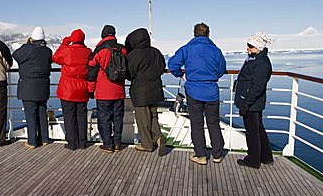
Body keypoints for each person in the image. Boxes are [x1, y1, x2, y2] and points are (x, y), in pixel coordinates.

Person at [168, 23, 226, 165]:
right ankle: (217, 154)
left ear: (194, 33)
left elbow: (172, 64)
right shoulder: (215, 50)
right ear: (208, 34)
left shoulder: (187, 49)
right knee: (213, 122)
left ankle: (201, 155)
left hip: (194, 91)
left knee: (197, 123)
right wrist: (213, 77)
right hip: (211, 91)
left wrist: (181, 75)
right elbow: (222, 69)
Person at [235, 32, 275, 169]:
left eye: (251, 46)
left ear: (259, 47)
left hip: (251, 104)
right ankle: (266, 157)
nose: (248, 49)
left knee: (252, 132)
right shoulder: (257, 59)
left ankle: (253, 160)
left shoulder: (261, 63)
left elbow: (257, 86)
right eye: (248, 46)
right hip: (253, 102)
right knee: (259, 129)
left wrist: (245, 105)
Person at [125, 28, 167, 156]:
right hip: (155, 90)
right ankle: (158, 137)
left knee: (142, 119)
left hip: (141, 92)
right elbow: (162, 67)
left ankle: (147, 144)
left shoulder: (134, 55)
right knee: (153, 116)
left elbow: (129, 73)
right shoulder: (156, 52)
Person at [87, 25, 126, 153]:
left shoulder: (99, 50)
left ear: (102, 35)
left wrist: (90, 90)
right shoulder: (123, 49)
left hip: (104, 92)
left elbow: (91, 73)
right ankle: (118, 143)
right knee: (118, 118)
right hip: (119, 91)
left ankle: (108, 144)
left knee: (104, 119)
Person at [13, 26, 52, 149]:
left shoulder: (27, 50)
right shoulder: (47, 51)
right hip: (43, 86)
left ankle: (32, 141)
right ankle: (44, 138)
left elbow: (16, 55)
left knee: (30, 114)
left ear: (32, 38)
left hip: (29, 87)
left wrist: (26, 44)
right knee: (41, 112)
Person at [52, 29, 92, 150]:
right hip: (82, 88)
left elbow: (55, 58)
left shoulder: (67, 50)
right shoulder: (88, 51)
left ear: (72, 39)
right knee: (81, 116)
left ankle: (71, 143)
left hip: (67, 89)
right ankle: (82, 142)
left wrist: (64, 43)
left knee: (69, 116)